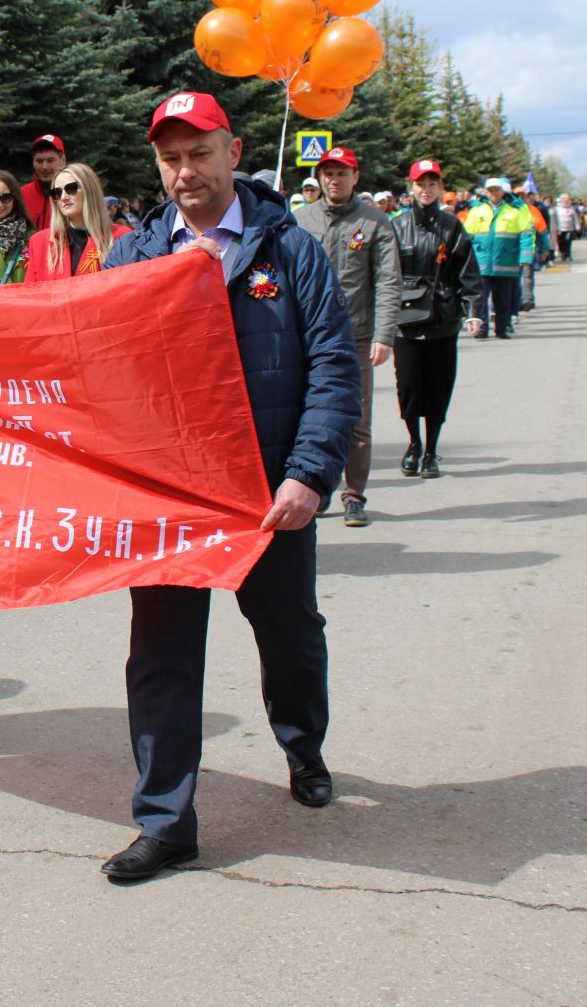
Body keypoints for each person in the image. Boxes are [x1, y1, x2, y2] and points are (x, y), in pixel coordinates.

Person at [99, 91, 361, 882]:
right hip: (172, 504)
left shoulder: (291, 252)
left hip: (269, 496)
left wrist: (310, 475)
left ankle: (302, 747)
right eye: (171, 158)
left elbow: (333, 369)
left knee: (290, 637)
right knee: (161, 659)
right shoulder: (131, 258)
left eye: (199, 153)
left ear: (234, 151)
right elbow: (94, 372)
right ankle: (165, 821)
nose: (186, 171)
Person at [292, 148, 401, 528]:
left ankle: (354, 495)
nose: (333, 180)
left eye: (341, 173)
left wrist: (384, 334)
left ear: (356, 177)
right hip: (306, 337)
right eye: (327, 173)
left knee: (355, 420)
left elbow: (388, 281)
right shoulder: (300, 220)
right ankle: (314, 487)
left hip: (356, 336)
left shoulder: (375, 222)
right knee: (305, 416)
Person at [390, 161, 483, 480]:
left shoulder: (452, 226)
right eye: (420, 183)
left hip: (443, 317)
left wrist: (474, 312)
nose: (426, 189)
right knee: (409, 387)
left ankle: (431, 451)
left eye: (432, 183)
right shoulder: (396, 225)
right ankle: (413, 443)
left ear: (440, 187)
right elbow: (386, 275)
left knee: (438, 387)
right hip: (407, 318)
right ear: (411, 186)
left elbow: (467, 271)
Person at [24, 163, 129, 282]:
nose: (63, 197)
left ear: (90, 190)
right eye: (57, 193)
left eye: (71, 189)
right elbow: (31, 295)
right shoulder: (39, 243)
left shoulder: (122, 238)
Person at [464, 178, 530, 338]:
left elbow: (526, 234)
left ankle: (502, 328)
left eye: (496, 190)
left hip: (506, 262)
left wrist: (525, 257)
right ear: (486, 192)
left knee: (503, 299)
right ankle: (481, 329)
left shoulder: (516, 210)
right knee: (481, 299)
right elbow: (467, 236)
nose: (493, 193)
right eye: (490, 190)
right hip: (481, 262)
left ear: (502, 191)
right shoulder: (477, 210)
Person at [20, 134, 65, 232]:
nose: (44, 167)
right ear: (33, 162)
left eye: (50, 160)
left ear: (63, 161)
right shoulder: (21, 195)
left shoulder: (73, 194)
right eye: (39, 161)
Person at [551, 194, 579, 265]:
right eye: (564, 199)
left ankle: (568, 254)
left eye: (567, 200)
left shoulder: (571, 208)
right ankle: (562, 253)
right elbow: (554, 219)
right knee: (561, 242)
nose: (565, 201)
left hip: (570, 228)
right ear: (561, 200)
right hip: (560, 229)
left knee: (568, 241)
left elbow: (575, 218)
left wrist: (577, 226)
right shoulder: (557, 208)